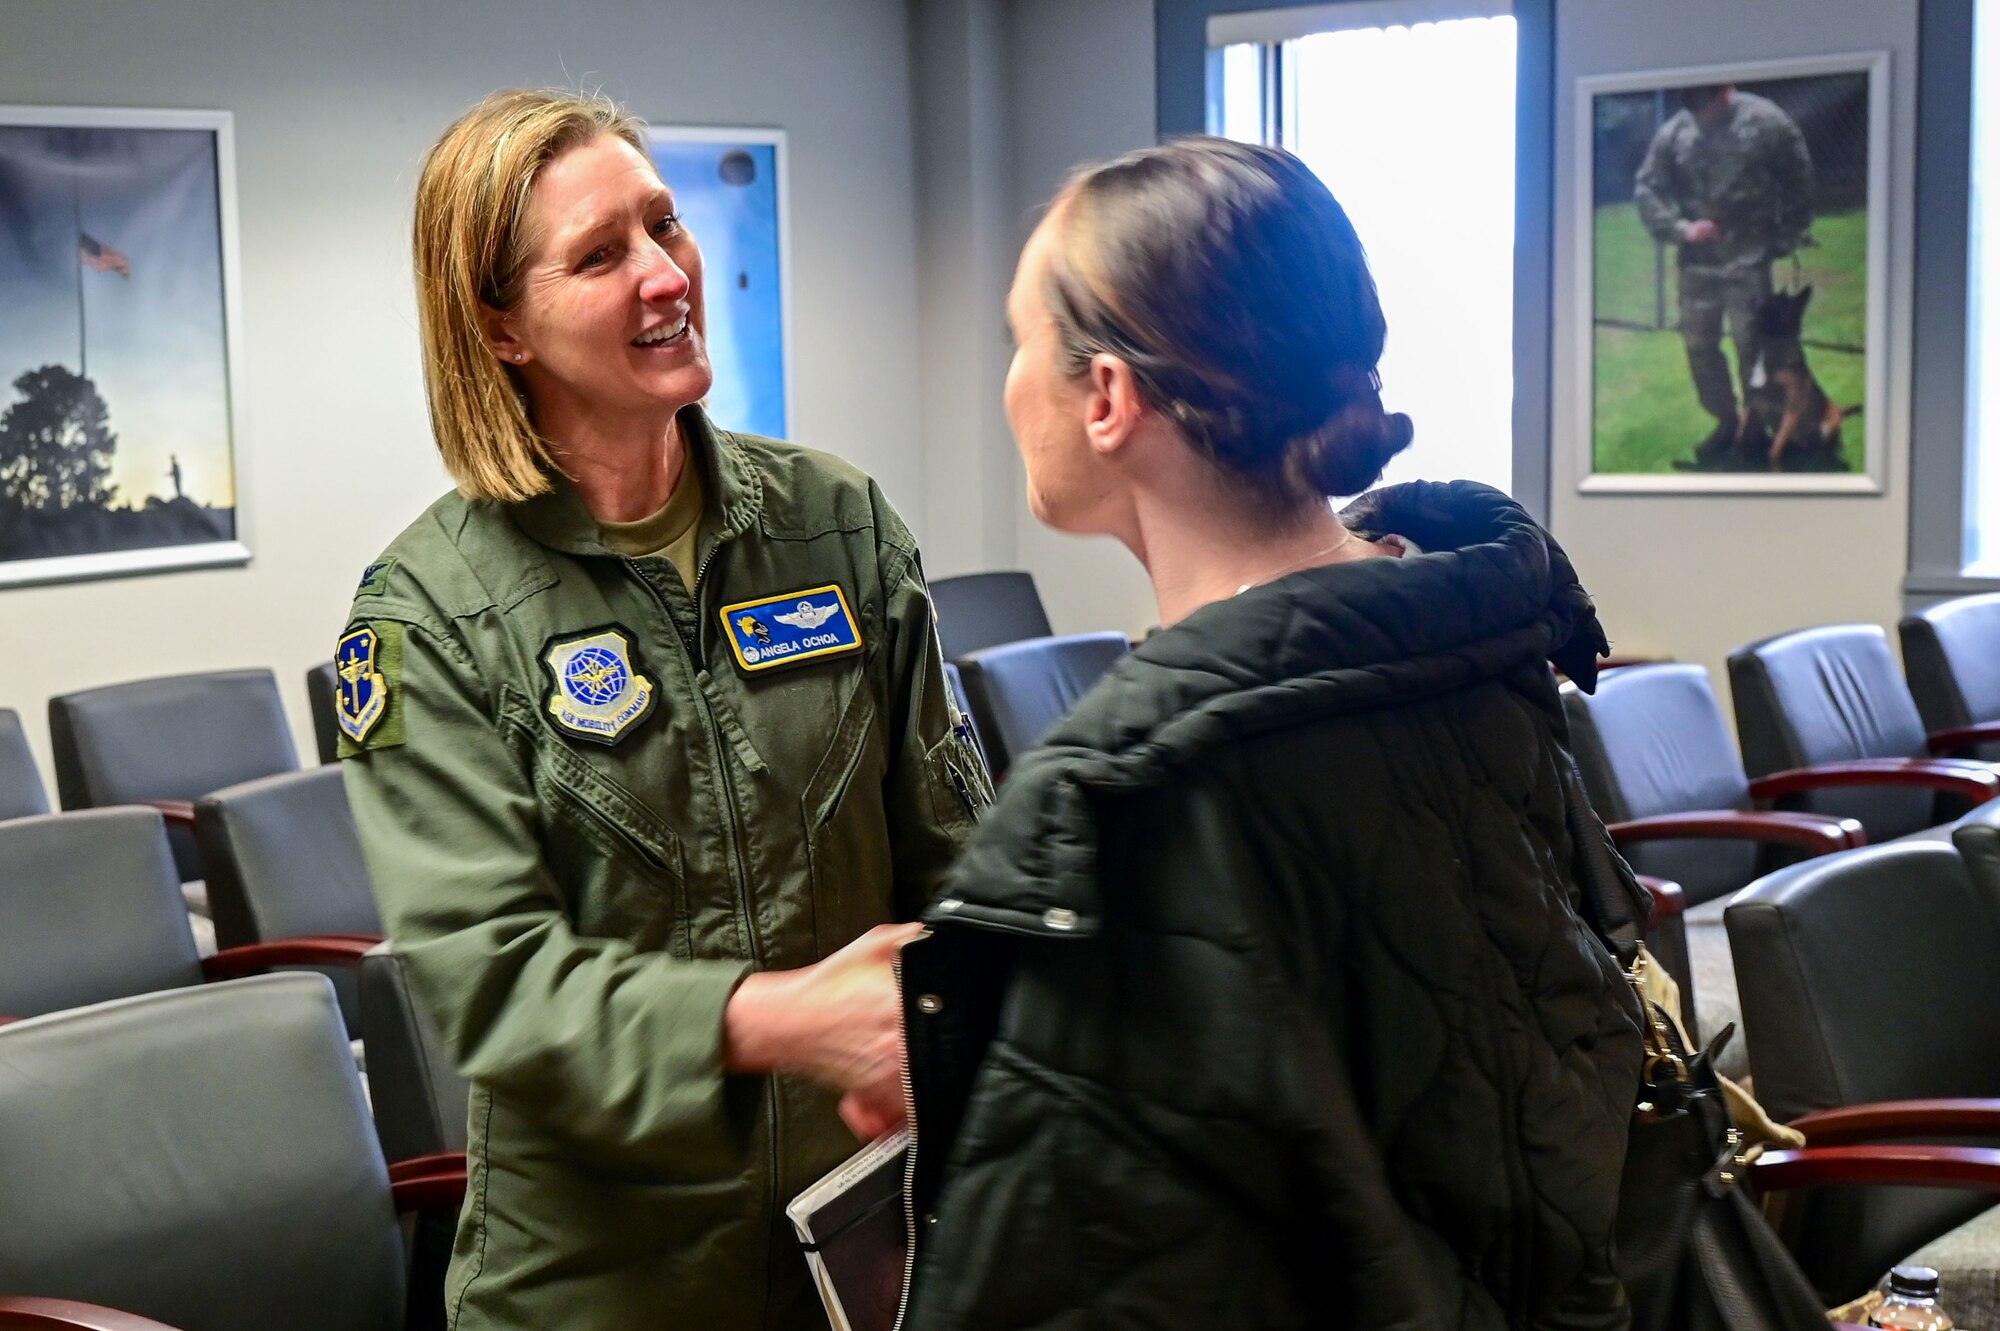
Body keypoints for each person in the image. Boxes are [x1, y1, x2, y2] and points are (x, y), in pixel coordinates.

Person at [897, 137, 1646, 1329]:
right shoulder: (1459, 626)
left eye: (1017, 340)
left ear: (1105, 397)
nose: (1007, 380)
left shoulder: (1148, 802)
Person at [335, 89, 988, 1331]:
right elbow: (495, 989)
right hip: (604, 1281)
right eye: (598, 254)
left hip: (864, 1238)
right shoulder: (424, 613)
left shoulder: (834, 524)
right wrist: (781, 1017)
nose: (664, 272)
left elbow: (956, 850)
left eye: (664, 223)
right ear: (502, 327)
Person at [1634, 83, 1814, 467]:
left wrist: (1786, 235)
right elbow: (1646, 187)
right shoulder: (1676, 133)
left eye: (1709, 105)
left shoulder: (1766, 121)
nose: (1702, 114)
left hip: (1748, 258)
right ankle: (1726, 421)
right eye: (1695, 107)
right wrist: (1682, 229)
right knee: (1700, 348)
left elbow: (1799, 176)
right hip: (1698, 263)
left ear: (1725, 92)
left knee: (1753, 348)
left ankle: (1758, 428)